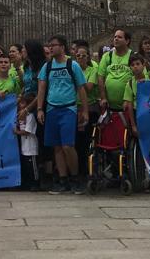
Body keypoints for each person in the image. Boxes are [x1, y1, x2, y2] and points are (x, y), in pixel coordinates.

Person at [36, 34, 88, 195]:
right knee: (57, 147)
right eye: (49, 45)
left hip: (68, 109)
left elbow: (81, 89)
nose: (50, 47)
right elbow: (42, 88)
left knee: (68, 145)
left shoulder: (73, 65)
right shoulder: (47, 66)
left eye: (54, 45)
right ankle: (62, 179)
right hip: (52, 109)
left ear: (62, 47)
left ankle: (75, 177)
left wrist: (84, 110)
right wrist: (39, 109)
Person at [97, 28, 133, 113]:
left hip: (129, 107)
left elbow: (140, 78)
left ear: (127, 41)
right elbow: (100, 77)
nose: (116, 39)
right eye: (115, 37)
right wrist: (103, 98)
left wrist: (128, 100)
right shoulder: (107, 56)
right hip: (109, 107)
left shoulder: (133, 56)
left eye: (120, 37)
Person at [15, 93, 40, 190]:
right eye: (19, 103)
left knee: (33, 167)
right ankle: (27, 183)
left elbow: (27, 132)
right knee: (27, 167)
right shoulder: (18, 117)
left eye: (22, 103)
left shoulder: (30, 117)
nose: (20, 105)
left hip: (31, 148)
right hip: (24, 148)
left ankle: (36, 183)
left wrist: (16, 132)